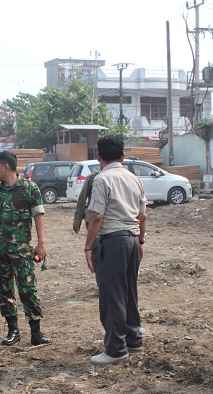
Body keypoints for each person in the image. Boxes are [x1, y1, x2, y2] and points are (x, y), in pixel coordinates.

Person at [83, 135, 147, 365]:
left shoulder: (102, 179)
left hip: (113, 241)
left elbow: (97, 216)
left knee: (112, 296)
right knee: (129, 292)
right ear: (123, 156)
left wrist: (88, 246)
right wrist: (140, 242)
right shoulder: (134, 179)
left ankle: (115, 348)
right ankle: (133, 339)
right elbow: (142, 215)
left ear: (98, 156)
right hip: (131, 240)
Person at [0, 151, 51, 346]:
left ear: (6, 167)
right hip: (0, 250)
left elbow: (38, 216)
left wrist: (41, 243)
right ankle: (13, 330)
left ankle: (36, 332)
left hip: (22, 250)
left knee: (27, 288)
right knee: (4, 290)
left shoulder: (29, 188)